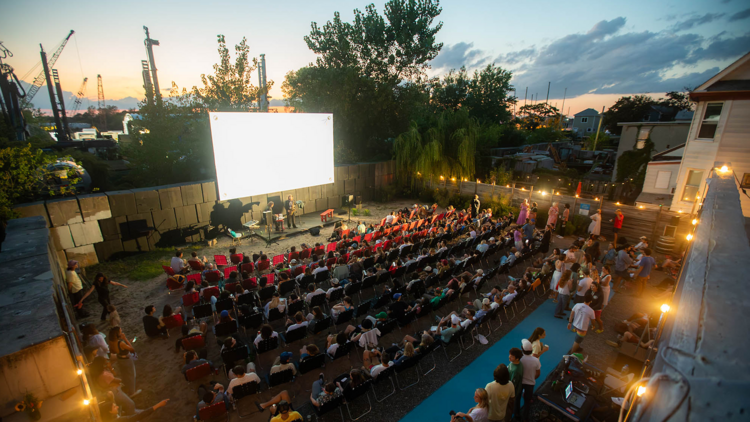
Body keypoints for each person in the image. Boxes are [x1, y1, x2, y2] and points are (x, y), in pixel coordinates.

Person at [107, 326, 140, 397]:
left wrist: (126, 342)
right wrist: (125, 339)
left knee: (125, 375)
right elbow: (132, 349)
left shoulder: (111, 341)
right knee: (131, 375)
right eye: (121, 331)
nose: (122, 332)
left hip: (120, 358)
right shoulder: (121, 343)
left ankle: (127, 389)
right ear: (117, 334)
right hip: (126, 359)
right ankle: (132, 392)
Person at [98, 392, 168, 421]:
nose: (117, 407)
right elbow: (138, 416)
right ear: (109, 412)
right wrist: (158, 405)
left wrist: (111, 398)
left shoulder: (107, 417)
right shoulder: (118, 421)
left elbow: (108, 407)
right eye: (114, 407)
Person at [516, 339, 540, 421]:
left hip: (519, 383)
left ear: (522, 348)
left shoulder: (519, 359)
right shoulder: (536, 360)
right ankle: (525, 418)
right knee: (527, 401)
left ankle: (517, 415)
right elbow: (538, 373)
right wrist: (532, 378)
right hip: (530, 384)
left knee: (517, 398)